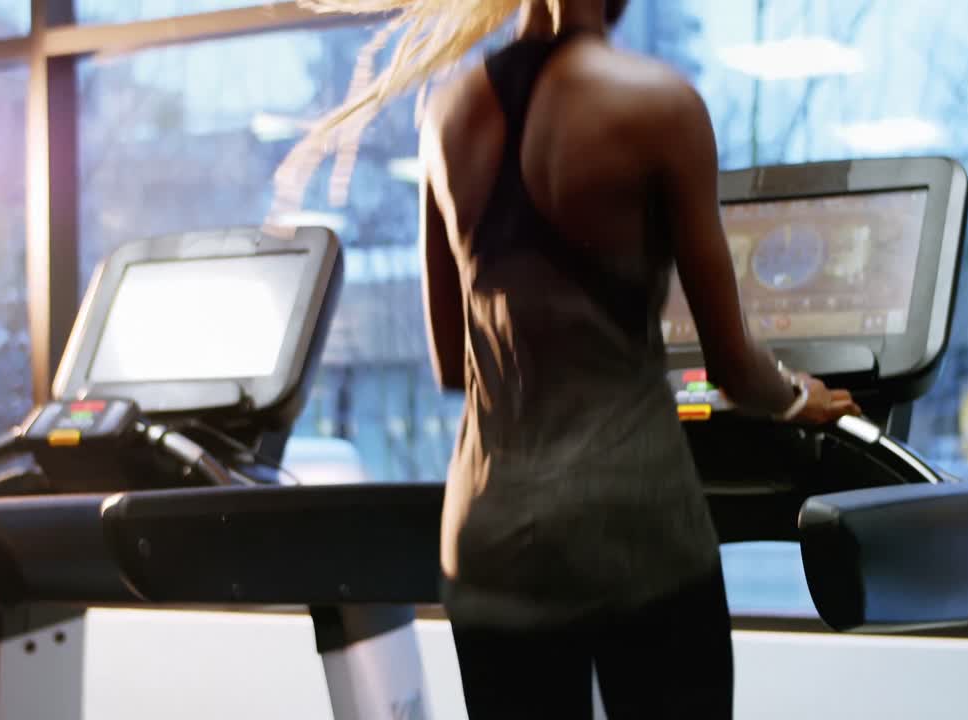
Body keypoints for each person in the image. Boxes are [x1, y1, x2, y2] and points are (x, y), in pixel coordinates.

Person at [304, 0, 862, 717]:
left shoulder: (448, 114)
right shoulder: (659, 106)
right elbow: (733, 367)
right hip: (633, 526)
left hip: (489, 539)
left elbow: (451, 362)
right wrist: (797, 396)